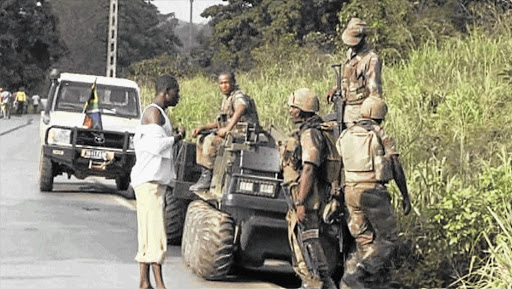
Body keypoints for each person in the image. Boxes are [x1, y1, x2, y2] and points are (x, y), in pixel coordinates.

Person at [336, 96, 411, 289]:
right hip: (372, 191)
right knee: (388, 238)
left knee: (364, 240)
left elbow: (337, 165)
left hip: (350, 191)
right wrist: (405, 195)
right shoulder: (380, 135)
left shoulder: (346, 134)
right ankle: (360, 272)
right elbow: (395, 166)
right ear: (381, 116)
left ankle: (353, 282)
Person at [130, 74, 185, 289]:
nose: (177, 96)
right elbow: (156, 146)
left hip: (149, 181)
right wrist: (177, 138)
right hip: (150, 182)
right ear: (167, 91)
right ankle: (160, 284)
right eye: (176, 92)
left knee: (147, 233)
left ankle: (145, 282)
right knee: (156, 234)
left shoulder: (156, 113)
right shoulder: (154, 113)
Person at [281, 88, 336, 289]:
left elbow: (309, 169)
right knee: (311, 249)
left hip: (308, 198)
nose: (290, 111)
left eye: (293, 107)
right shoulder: (309, 130)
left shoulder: (310, 133)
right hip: (306, 195)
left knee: (307, 251)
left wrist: (301, 202)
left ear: (302, 109)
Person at [189, 71, 260, 191]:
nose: (224, 86)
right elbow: (222, 121)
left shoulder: (238, 96)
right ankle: (205, 173)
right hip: (233, 134)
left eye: (226, 82)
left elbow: (241, 108)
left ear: (233, 82)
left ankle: (208, 177)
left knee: (210, 141)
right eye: (221, 83)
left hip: (243, 135)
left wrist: (228, 128)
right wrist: (203, 128)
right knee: (201, 138)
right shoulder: (227, 99)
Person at [327, 17, 383, 128]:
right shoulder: (350, 54)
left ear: (363, 38)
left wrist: (370, 118)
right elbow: (348, 80)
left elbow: (374, 92)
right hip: (346, 110)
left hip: (361, 113)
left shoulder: (371, 59)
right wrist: (336, 89)